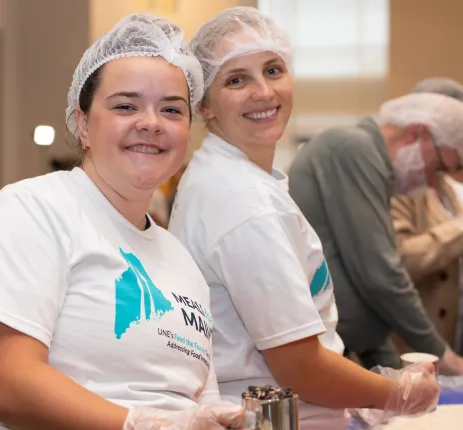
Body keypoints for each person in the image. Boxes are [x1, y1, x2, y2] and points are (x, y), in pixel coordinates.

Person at [0, 13, 248, 430]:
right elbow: (8, 383)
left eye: (172, 110)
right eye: (126, 105)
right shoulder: (31, 211)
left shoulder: (180, 259)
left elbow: (196, 395)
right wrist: (143, 424)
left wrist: (209, 417)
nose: (151, 123)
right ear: (83, 123)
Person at [168, 7, 440, 429]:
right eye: (236, 79)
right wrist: (398, 394)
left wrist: (357, 394)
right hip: (278, 416)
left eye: (273, 70)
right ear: (203, 104)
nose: (263, 92)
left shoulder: (234, 179)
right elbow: (299, 366)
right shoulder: (242, 201)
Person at [287, 84, 463, 375]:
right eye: (440, 167)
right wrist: (441, 353)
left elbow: (364, 278)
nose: (433, 183)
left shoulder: (363, 155)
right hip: (324, 346)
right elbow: (381, 273)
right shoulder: (354, 149)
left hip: (346, 343)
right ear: (416, 133)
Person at [391, 78, 463, 352]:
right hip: (410, 352)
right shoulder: (399, 187)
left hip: (448, 345)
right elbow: (400, 260)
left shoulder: (446, 186)